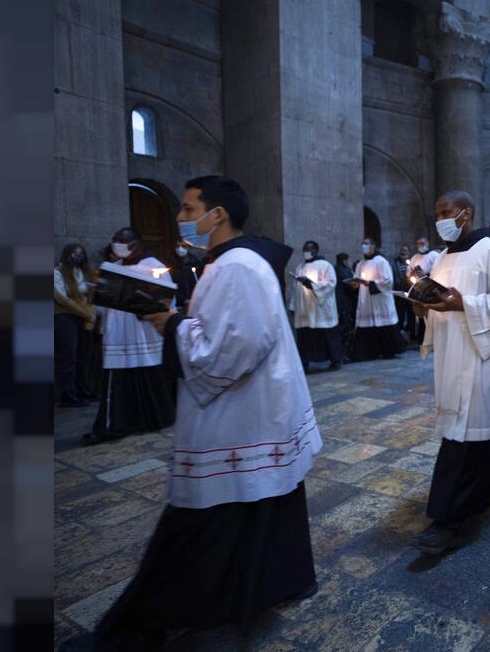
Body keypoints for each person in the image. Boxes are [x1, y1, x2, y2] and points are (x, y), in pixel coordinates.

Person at [71, 175, 322, 651]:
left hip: (238, 417)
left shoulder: (237, 267)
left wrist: (171, 323)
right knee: (259, 504)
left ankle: (151, 623)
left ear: (218, 214)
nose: (182, 220)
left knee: (202, 518)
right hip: (256, 412)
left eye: (188, 210)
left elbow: (233, 349)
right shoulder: (231, 263)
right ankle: (277, 582)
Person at [410, 190, 490, 554]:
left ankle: (447, 519)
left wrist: (464, 304)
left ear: (466, 213)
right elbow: (439, 302)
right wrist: (423, 309)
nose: (440, 217)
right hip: (451, 356)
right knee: (478, 435)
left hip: (481, 358)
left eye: (447, 211)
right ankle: (489, 491)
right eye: (437, 211)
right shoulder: (441, 258)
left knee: (464, 437)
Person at [82, 228, 177, 446]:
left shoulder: (155, 267)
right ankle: (117, 424)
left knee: (149, 374)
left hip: (143, 330)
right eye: (115, 241)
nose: (117, 245)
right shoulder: (111, 268)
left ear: (136, 244)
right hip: (118, 333)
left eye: (122, 242)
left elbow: (167, 301)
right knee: (119, 379)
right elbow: (101, 303)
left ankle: (154, 419)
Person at [289, 241, 343, 372]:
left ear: (316, 251)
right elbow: (295, 288)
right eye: (304, 249)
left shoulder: (326, 266)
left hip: (321, 308)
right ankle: (304, 362)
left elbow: (331, 284)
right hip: (304, 308)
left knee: (326, 334)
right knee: (305, 336)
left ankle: (335, 360)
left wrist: (311, 284)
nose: (306, 251)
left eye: (309, 249)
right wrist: (293, 305)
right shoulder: (300, 267)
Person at [54, 243, 96, 406]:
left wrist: (91, 313)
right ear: (67, 254)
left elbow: (91, 295)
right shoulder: (58, 273)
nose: (77, 256)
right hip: (65, 317)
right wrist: (86, 313)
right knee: (68, 356)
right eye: (74, 253)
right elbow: (62, 298)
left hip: (83, 319)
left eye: (80, 253)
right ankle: (67, 393)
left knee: (83, 356)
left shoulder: (83, 273)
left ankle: (82, 389)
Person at [348, 237, 402, 361]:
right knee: (368, 325)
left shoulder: (381, 261)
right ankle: (368, 353)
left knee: (383, 324)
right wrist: (355, 284)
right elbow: (356, 279)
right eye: (362, 244)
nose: (363, 246)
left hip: (380, 299)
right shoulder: (361, 263)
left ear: (373, 246)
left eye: (366, 244)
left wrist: (370, 283)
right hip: (366, 299)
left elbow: (388, 281)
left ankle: (389, 351)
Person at [406, 236, 440, 344]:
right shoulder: (414, 257)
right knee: (421, 316)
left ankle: (435, 340)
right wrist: (413, 273)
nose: (420, 245)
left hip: (432, 289)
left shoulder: (435, 256)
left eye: (422, 243)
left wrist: (426, 274)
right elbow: (408, 273)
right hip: (419, 289)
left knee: (432, 314)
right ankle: (423, 340)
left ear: (427, 243)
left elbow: (440, 271)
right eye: (418, 244)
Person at [169, 241, 204, 313]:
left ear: (189, 248)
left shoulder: (196, 265)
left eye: (183, 246)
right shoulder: (170, 265)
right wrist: (184, 300)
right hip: (177, 306)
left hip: (194, 304)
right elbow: (169, 285)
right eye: (178, 246)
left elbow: (199, 283)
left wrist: (193, 299)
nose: (180, 249)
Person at [334, 252, 356, 357]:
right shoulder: (345, 270)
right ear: (344, 261)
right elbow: (351, 286)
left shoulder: (334, 269)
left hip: (337, 303)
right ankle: (345, 352)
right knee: (346, 328)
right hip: (345, 303)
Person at [393, 244, 414, 342]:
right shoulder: (395, 262)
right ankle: (400, 336)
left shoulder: (412, 262)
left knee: (411, 314)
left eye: (405, 250)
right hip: (400, 292)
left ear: (409, 252)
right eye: (402, 250)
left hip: (410, 292)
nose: (403, 252)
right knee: (400, 314)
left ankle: (412, 334)